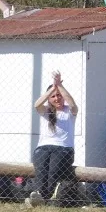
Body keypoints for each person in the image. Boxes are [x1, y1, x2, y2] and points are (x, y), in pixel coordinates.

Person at [27, 71, 78, 205]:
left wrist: (59, 85)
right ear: (49, 99)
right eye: (53, 96)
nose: (57, 98)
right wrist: (52, 89)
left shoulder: (69, 111)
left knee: (53, 172)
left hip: (63, 148)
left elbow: (72, 103)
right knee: (41, 170)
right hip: (44, 147)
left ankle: (42, 198)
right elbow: (37, 105)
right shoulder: (46, 111)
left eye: (59, 95)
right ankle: (40, 196)